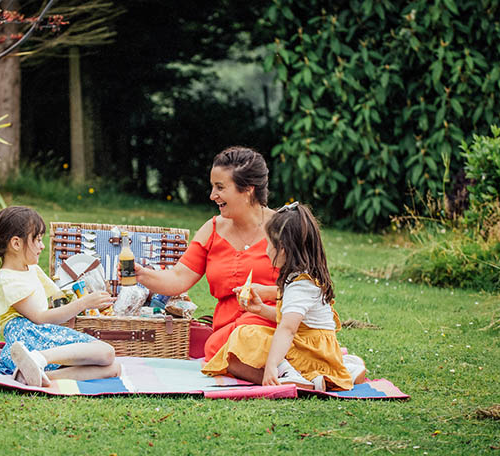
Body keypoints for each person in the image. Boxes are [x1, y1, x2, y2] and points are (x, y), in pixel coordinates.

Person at [201, 202, 366, 391]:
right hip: (312, 346)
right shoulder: (299, 278)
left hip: (309, 349)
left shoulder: (300, 286)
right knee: (237, 350)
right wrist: (261, 309)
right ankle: (338, 369)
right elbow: (288, 318)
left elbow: (287, 329)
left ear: (283, 249)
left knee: (245, 338)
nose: (265, 250)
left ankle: (290, 375)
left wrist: (272, 364)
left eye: (268, 244)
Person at [136, 146, 280, 361]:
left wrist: (263, 296)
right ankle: (284, 372)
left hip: (273, 326)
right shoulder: (212, 228)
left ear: (248, 189)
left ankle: (280, 366)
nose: (213, 196)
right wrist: (140, 274)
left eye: (220, 187)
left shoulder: (284, 228)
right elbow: (178, 279)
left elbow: (310, 289)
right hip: (226, 335)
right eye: (213, 187)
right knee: (215, 347)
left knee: (231, 346)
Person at [0, 206, 120, 387]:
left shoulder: (31, 269)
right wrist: (83, 303)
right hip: (29, 334)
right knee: (106, 353)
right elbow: (40, 318)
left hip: (40, 333)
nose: (42, 246)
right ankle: (38, 358)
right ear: (16, 244)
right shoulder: (9, 279)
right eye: (37, 240)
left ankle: (33, 374)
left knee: (113, 367)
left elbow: (58, 297)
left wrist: (83, 295)